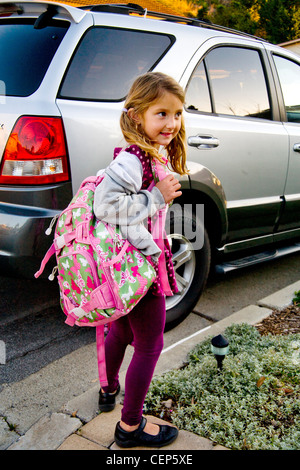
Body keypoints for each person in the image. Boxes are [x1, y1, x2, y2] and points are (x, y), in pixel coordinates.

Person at [93, 72, 188, 448]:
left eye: (177, 114)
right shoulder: (135, 160)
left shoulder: (147, 153)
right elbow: (106, 206)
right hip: (137, 266)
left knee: (122, 330)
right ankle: (130, 426)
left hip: (126, 262)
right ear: (137, 116)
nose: (171, 123)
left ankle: (108, 387)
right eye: (161, 114)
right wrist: (157, 198)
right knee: (149, 344)